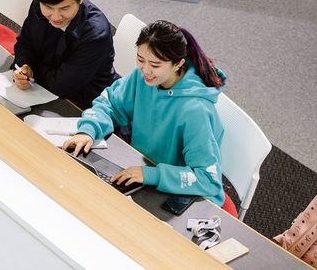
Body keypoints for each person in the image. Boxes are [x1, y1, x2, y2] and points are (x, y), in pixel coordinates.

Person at [63, 20, 233, 212]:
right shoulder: (143, 78)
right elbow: (109, 103)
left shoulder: (197, 111)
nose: (145, 70)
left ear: (178, 64)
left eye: (155, 64)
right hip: (141, 174)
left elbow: (207, 179)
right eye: (140, 60)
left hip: (178, 195)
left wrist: (151, 175)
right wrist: (89, 130)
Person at [12, 0, 118, 109]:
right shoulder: (39, 4)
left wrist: (34, 70)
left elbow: (61, 87)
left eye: (64, 8)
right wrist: (24, 67)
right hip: (39, 91)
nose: (55, 17)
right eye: (48, 7)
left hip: (84, 105)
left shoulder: (96, 34)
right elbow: (24, 43)